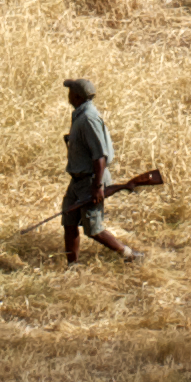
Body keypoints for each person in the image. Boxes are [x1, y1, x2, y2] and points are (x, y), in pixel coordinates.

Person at [59, 75, 144, 264]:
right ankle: (72, 267)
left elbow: (100, 156)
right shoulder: (81, 114)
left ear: (77, 97)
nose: (68, 96)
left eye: (71, 93)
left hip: (90, 180)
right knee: (69, 221)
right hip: (78, 180)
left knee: (93, 228)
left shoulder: (89, 118)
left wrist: (97, 186)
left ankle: (130, 255)